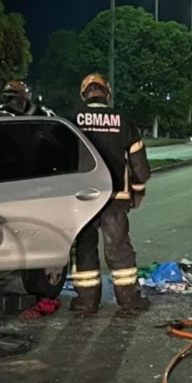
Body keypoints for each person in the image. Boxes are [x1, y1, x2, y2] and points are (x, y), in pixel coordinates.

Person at [70, 74, 150, 314]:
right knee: (118, 248)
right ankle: (129, 301)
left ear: (83, 94)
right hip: (115, 197)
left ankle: (86, 302)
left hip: (82, 197)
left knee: (84, 247)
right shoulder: (122, 121)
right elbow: (139, 165)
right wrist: (138, 189)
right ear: (108, 93)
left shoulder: (71, 120)